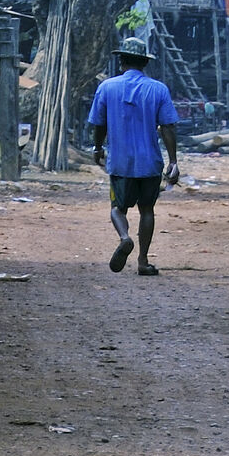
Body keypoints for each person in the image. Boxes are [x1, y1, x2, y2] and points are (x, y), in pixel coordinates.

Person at [89, 33, 180, 276]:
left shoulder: (106, 87)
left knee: (117, 208)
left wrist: (97, 148)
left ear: (122, 62)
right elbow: (168, 127)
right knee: (147, 210)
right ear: (145, 62)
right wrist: (173, 161)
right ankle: (142, 261)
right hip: (150, 162)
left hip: (120, 163)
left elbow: (99, 124)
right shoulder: (159, 89)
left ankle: (124, 237)